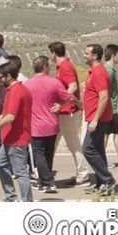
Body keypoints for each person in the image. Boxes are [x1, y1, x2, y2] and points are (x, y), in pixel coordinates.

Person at [24, 55, 78, 193]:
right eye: (48, 66)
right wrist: (79, 104)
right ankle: (44, 182)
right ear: (44, 67)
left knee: (39, 154)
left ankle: (47, 182)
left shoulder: (27, 85)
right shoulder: (54, 83)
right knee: (48, 154)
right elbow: (68, 97)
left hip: (36, 126)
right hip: (52, 125)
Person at [0, 57, 33, 202]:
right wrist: (2, 116)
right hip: (11, 138)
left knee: (21, 172)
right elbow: (14, 113)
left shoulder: (15, 91)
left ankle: (27, 203)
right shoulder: (20, 89)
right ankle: (11, 197)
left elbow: (10, 117)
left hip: (16, 139)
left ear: (9, 76)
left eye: (1, 78)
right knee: (0, 164)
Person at [50, 41, 88, 185]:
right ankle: (45, 172)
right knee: (53, 143)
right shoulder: (63, 66)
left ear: (53, 53)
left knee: (73, 144)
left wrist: (61, 102)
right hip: (64, 111)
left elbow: (72, 86)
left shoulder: (65, 67)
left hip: (68, 111)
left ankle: (83, 174)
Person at [81, 43, 116, 195]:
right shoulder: (94, 72)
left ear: (95, 56)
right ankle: (100, 184)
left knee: (87, 149)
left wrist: (95, 119)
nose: (84, 55)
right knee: (98, 150)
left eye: (86, 53)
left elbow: (103, 98)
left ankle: (108, 180)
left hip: (99, 118)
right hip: (96, 117)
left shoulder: (99, 72)